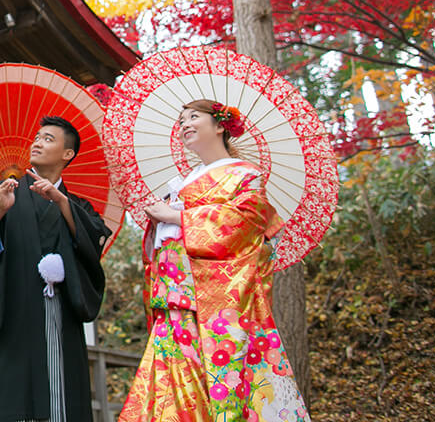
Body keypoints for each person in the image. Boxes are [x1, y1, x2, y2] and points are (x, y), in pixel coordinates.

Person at [118, 100, 310, 422]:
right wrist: (159, 222)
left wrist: (178, 217)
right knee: (169, 385)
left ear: (220, 125)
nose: (184, 125)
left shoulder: (244, 174)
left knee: (219, 381)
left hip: (213, 301)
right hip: (175, 294)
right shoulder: (183, 181)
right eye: (181, 121)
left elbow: (247, 223)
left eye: (194, 117)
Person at [0, 115, 111, 422]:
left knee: (64, 395)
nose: (37, 142)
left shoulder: (76, 204)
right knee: (15, 395)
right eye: (37, 137)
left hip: (62, 312)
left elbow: (95, 241)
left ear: (68, 154)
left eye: (48, 138)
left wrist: (63, 204)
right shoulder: (2, 191)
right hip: (14, 309)